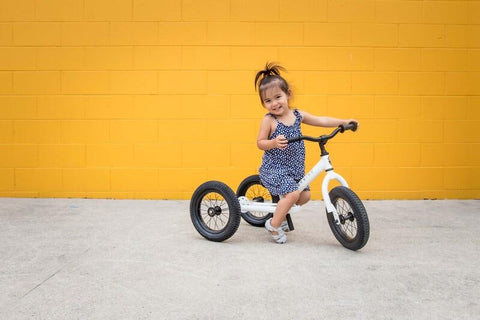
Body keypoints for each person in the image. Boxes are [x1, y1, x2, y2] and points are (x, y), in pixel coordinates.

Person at [255, 63, 358, 244]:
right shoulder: (269, 120)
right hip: (275, 168)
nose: (274, 103)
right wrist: (273, 142)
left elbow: (321, 120)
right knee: (293, 194)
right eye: (268, 101)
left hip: (294, 169)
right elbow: (260, 143)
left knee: (305, 196)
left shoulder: (298, 115)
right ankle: (273, 225)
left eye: (278, 97)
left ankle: (281, 212)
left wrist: (343, 122)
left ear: (288, 94)